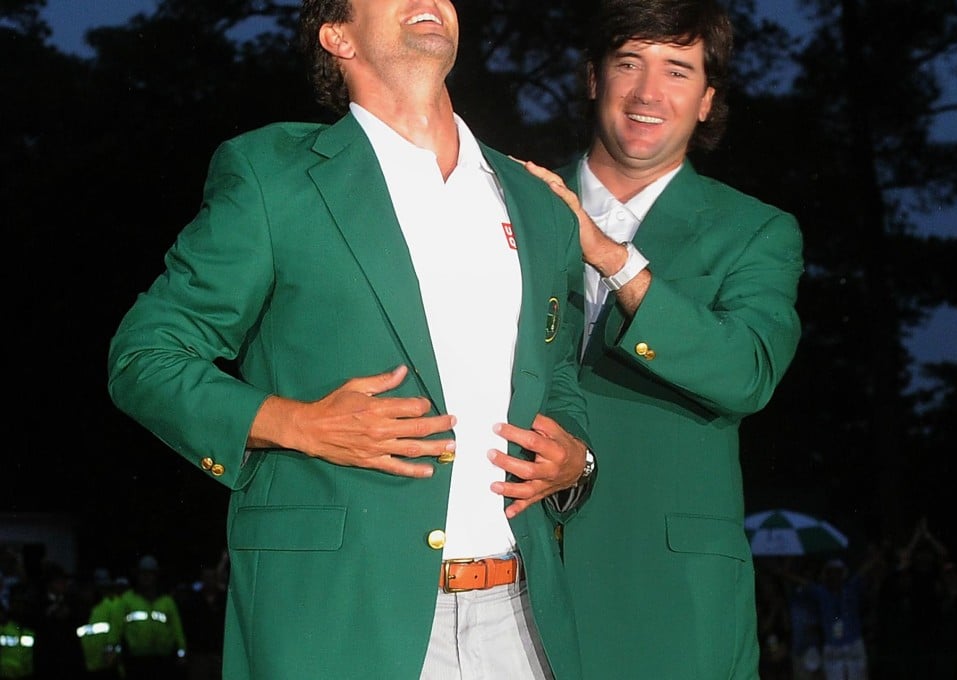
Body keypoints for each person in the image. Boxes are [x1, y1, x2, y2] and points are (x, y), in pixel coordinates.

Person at [106, 1, 594, 679]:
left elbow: (559, 371)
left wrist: (576, 457)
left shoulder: (538, 201)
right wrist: (295, 423)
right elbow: (145, 355)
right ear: (337, 35)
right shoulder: (273, 175)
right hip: (340, 614)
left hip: (520, 612)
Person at [521, 0, 804, 676]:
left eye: (678, 71)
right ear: (593, 78)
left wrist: (615, 259)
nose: (650, 93)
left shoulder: (756, 231)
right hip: (508, 579)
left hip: (672, 602)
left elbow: (747, 372)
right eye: (630, 64)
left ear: (707, 100)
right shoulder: (508, 202)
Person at [114, 556, 186, 680]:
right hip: (135, 660)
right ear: (137, 575)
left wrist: (182, 651)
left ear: (156, 576)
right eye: (143, 573)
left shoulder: (166, 601)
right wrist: (112, 648)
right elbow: (117, 627)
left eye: (150, 574)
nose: (146, 577)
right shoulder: (127, 600)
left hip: (162, 660)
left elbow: (177, 628)